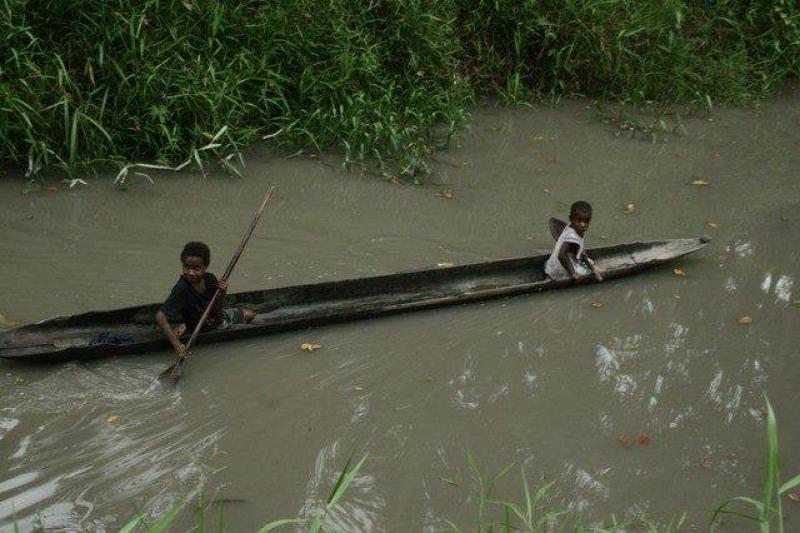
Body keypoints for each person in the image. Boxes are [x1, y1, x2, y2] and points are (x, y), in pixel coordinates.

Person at [155, 241, 255, 358]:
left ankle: (185, 325)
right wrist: (177, 344)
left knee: (250, 314)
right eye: (187, 267)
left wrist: (223, 291)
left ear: (205, 267)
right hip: (200, 328)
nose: (191, 273)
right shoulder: (182, 288)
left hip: (215, 319)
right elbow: (160, 316)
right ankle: (187, 326)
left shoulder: (210, 279)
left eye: (196, 268)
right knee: (247, 318)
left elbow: (218, 309)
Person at [545, 201, 603, 282]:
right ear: (571, 219)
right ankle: (556, 276)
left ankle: (592, 268)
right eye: (579, 220)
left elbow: (578, 251)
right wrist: (573, 274)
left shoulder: (573, 227)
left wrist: (592, 268)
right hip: (559, 269)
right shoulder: (571, 237)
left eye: (586, 221)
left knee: (587, 260)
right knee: (585, 272)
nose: (583, 224)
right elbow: (561, 255)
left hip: (551, 266)